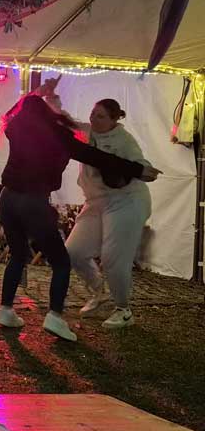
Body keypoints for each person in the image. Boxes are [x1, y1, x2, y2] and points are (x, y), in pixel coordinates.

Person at [0, 79, 160, 342]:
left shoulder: (15, 128)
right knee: (62, 262)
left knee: (17, 255)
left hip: (7, 199)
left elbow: (12, 112)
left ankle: (5, 310)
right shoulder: (59, 137)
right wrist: (138, 169)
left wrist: (37, 93)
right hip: (33, 202)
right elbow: (97, 158)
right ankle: (55, 317)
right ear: (49, 113)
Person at [65, 99, 152, 329]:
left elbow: (141, 165)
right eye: (93, 114)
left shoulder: (124, 140)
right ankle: (99, 292)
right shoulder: (86, 131)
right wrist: (51, 97)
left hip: (127, 201)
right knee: (73, 252)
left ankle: (123, 310)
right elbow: (64, 121)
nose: (94, 119)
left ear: (114, 119)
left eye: (101, 116)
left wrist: (142, 169)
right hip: (96, 202)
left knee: (113, 257)